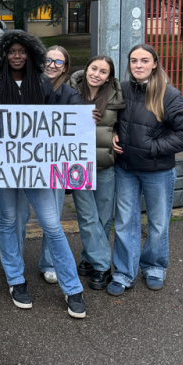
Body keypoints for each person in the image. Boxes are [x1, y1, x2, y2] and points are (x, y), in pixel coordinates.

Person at [0, 29, 86, 318]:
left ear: (31, 54)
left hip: (36, 167)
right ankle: (15, 280)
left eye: (22, 51)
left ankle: (72, 287)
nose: (16, 56)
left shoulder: (41, 81)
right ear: (3, 53)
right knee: (9, 220)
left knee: (52, 225)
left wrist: (81, 120)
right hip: (4, 165)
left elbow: (52, 120)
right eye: (11, 51)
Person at [108, 44, 183, 296]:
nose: (138, 65)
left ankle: (154, 267)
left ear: (155, 63)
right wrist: (113, 132)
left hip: (157, 171)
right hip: (125, 169)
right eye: (134, 60)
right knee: (125, 222)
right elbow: (111, 118)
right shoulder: (122, 89)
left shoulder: (168, 94)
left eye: (144, 60)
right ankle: (124, 272)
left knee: (158, 223)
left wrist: (154, 147)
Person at [69, 55, 125, 290]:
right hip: (77, 165)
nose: (96, 74)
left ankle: (89, 257)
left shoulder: (116, 94)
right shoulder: (70, 91)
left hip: (104, 163)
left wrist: (117, 134)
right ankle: (103, 265)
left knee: (103, 216)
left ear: (108, 77)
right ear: (86, 68)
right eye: (94, 68)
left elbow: (124, 121)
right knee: (87, 215)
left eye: (103, 72)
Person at [30, 45, 83, 284]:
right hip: (24, 161)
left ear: (65, 68)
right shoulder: (27, 86)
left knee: (52, 218)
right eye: (48, 60)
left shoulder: (70, 95)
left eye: (58, 62)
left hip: (56, 163)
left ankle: (49, 262)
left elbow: (75, 130)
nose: (52, 65)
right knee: (17, 217)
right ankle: (13, 265)